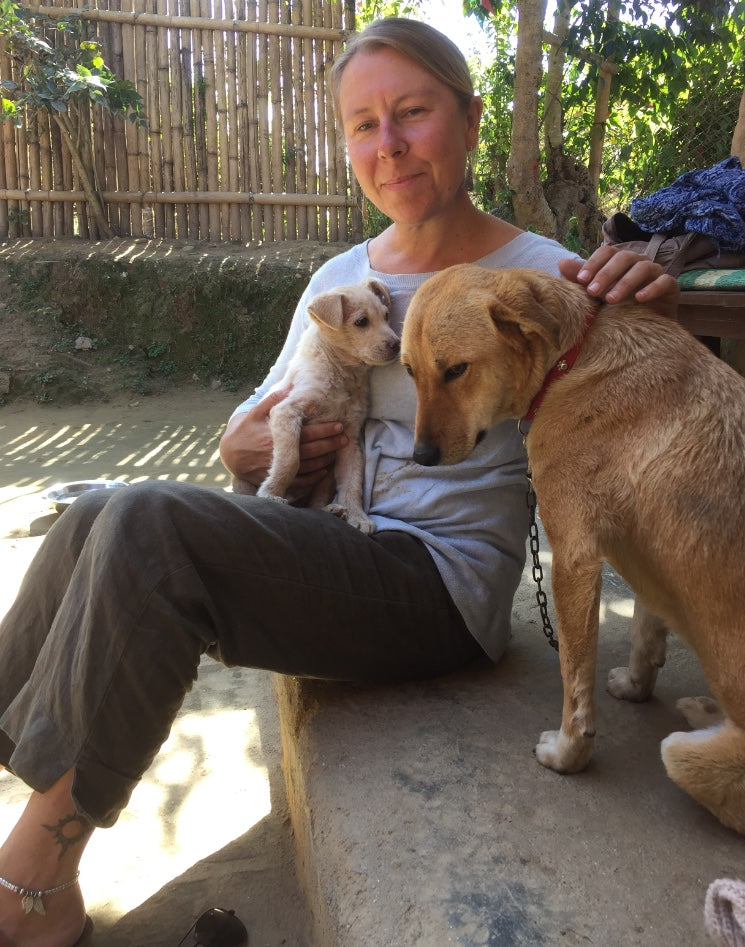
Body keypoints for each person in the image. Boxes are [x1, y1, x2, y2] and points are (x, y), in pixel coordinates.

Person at [0, 17, 679, 947]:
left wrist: (648, 288)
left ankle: (34, 890)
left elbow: (647, 383)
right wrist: (243, 445)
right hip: (326, 542)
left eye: (412, 112)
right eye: (363, 123)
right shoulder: (336, 278)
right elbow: (248, 426)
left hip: (432, 581)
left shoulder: (538, 276)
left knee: (151, 523)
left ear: (472, 121)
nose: (388, 144)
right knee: (99, 513)